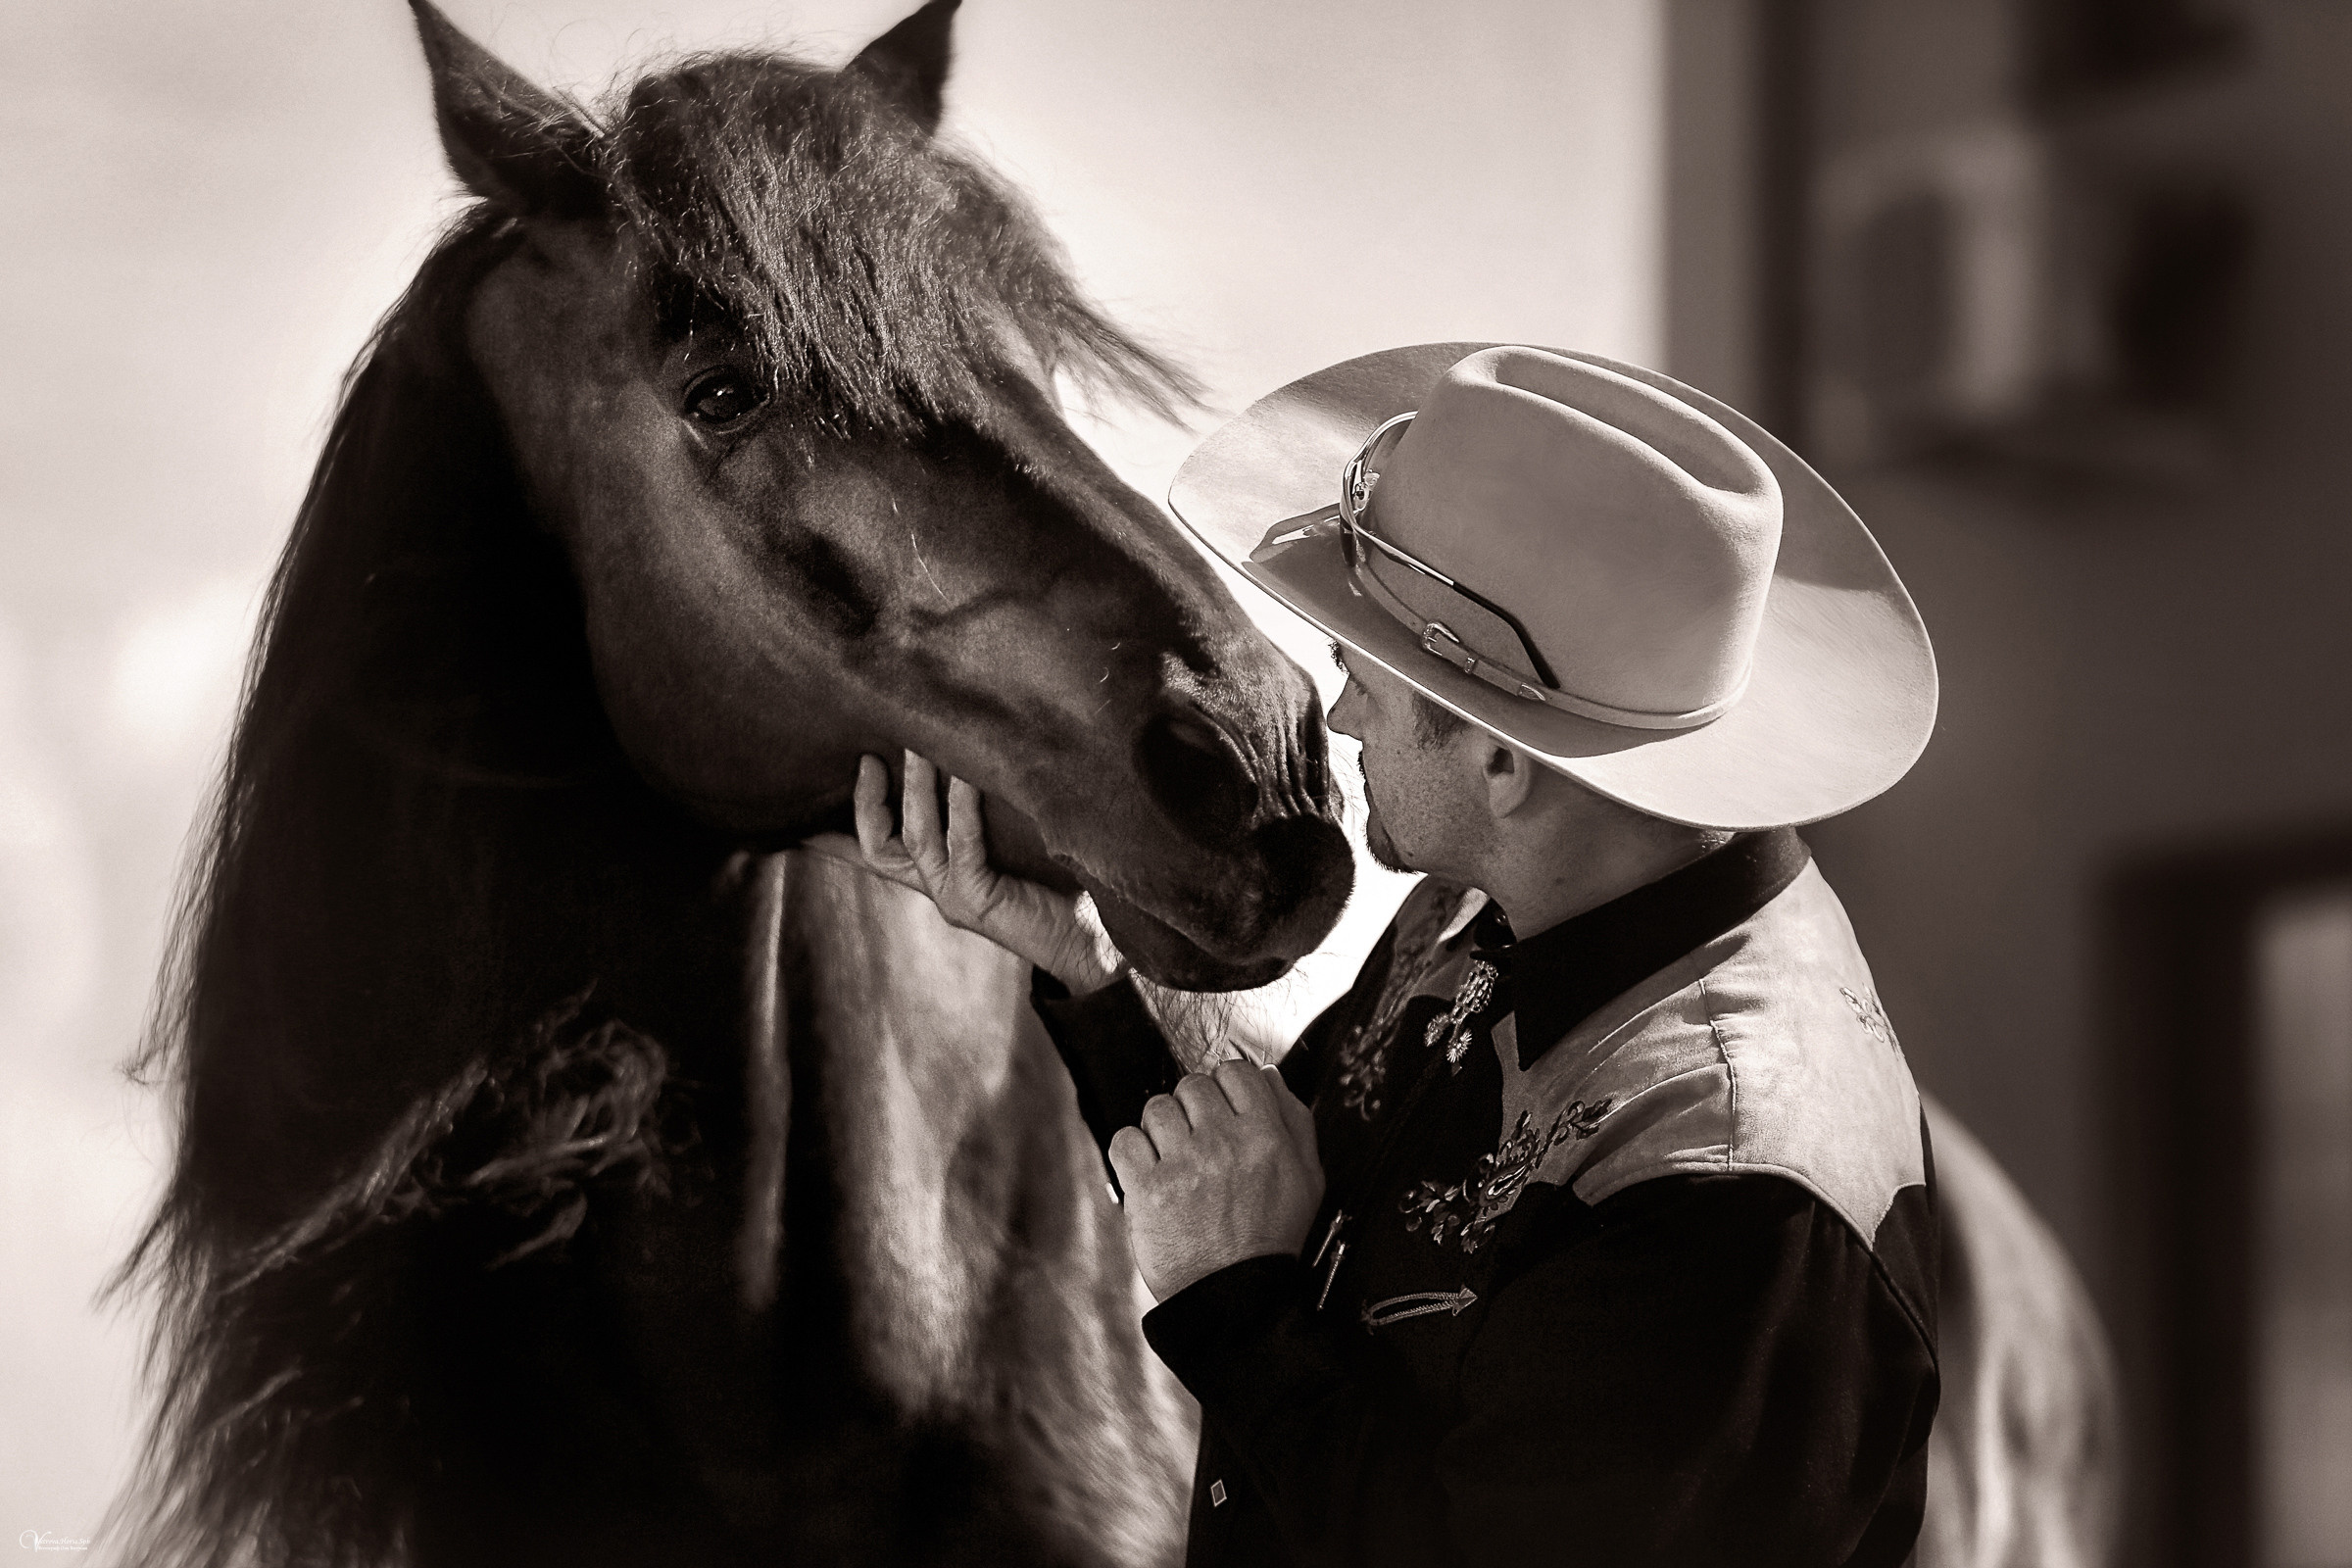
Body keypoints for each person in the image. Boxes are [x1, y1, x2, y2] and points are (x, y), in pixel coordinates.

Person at [822, 344, 1942, 1566]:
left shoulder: (1731, 1204)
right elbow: (1264, 1187)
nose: (1340, 713)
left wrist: (1242, 1312)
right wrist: (1091, 975)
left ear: (1503, 765)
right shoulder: (1498, 900)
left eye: (1368, 680)